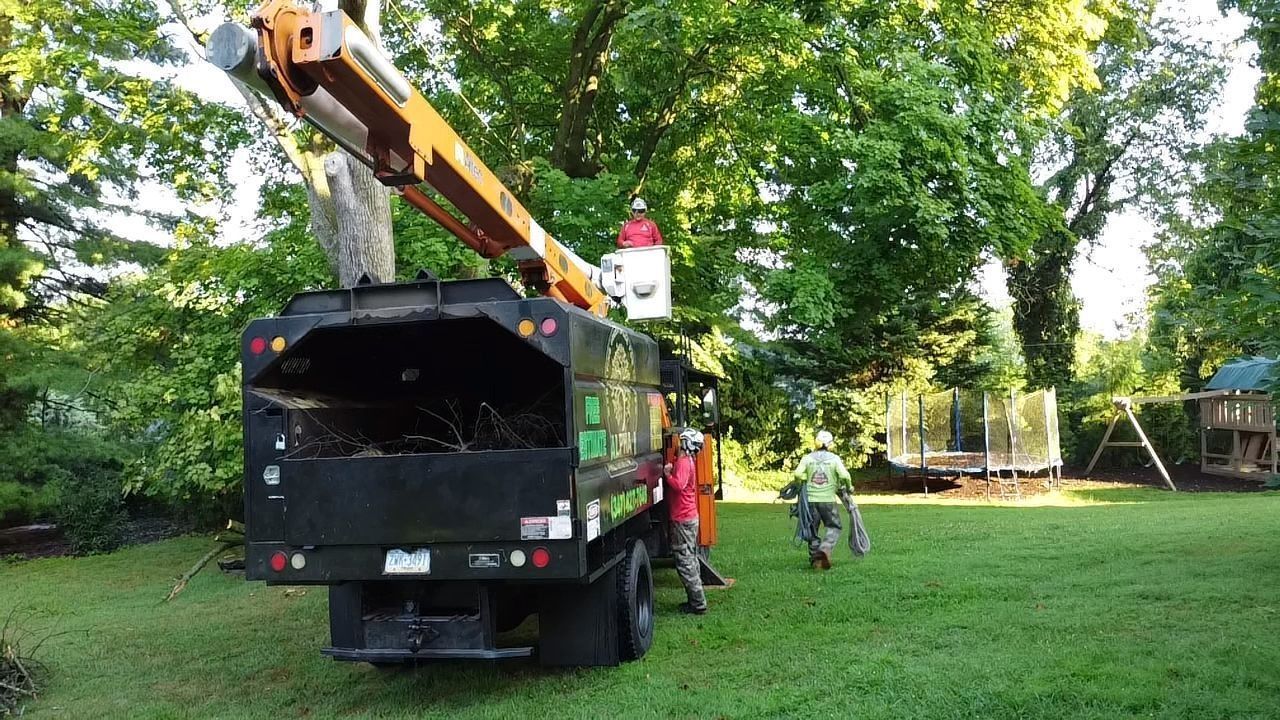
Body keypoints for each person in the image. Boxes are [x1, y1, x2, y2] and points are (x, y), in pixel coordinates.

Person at [792, 430, 852, 570]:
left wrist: (802, 481)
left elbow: (797, 474)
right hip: (828, 501)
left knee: (812, 530)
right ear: (831, 444)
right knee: (834, 527)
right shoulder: (834, 459)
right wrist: (849, 487)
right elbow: (845, 475)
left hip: (810, 502)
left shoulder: (807, 458)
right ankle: (825, 548)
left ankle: (815, 561)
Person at [663, 428, 707, 614]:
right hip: (689, 516)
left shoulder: (683, 461)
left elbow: (679, 485)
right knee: (691, 557)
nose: (678, 444)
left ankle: (698, 603)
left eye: (681, 441)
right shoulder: (688, 461)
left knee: (684, 560)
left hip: (682, 518)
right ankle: (695, 601)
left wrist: (667, 474)